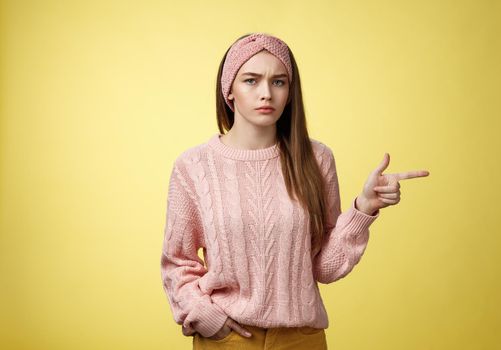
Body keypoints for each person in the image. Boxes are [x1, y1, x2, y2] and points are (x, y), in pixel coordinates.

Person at [160, 32, 430, 350]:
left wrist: (363, 208)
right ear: (228, 90)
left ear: (290, 92)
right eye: (251, 80)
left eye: (279, 82)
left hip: (301, 339)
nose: (266, 94)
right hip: (226, 339)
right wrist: (203, 316)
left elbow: (323, 266)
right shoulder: (193, 167)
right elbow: (177, 262)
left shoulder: (316, 159)